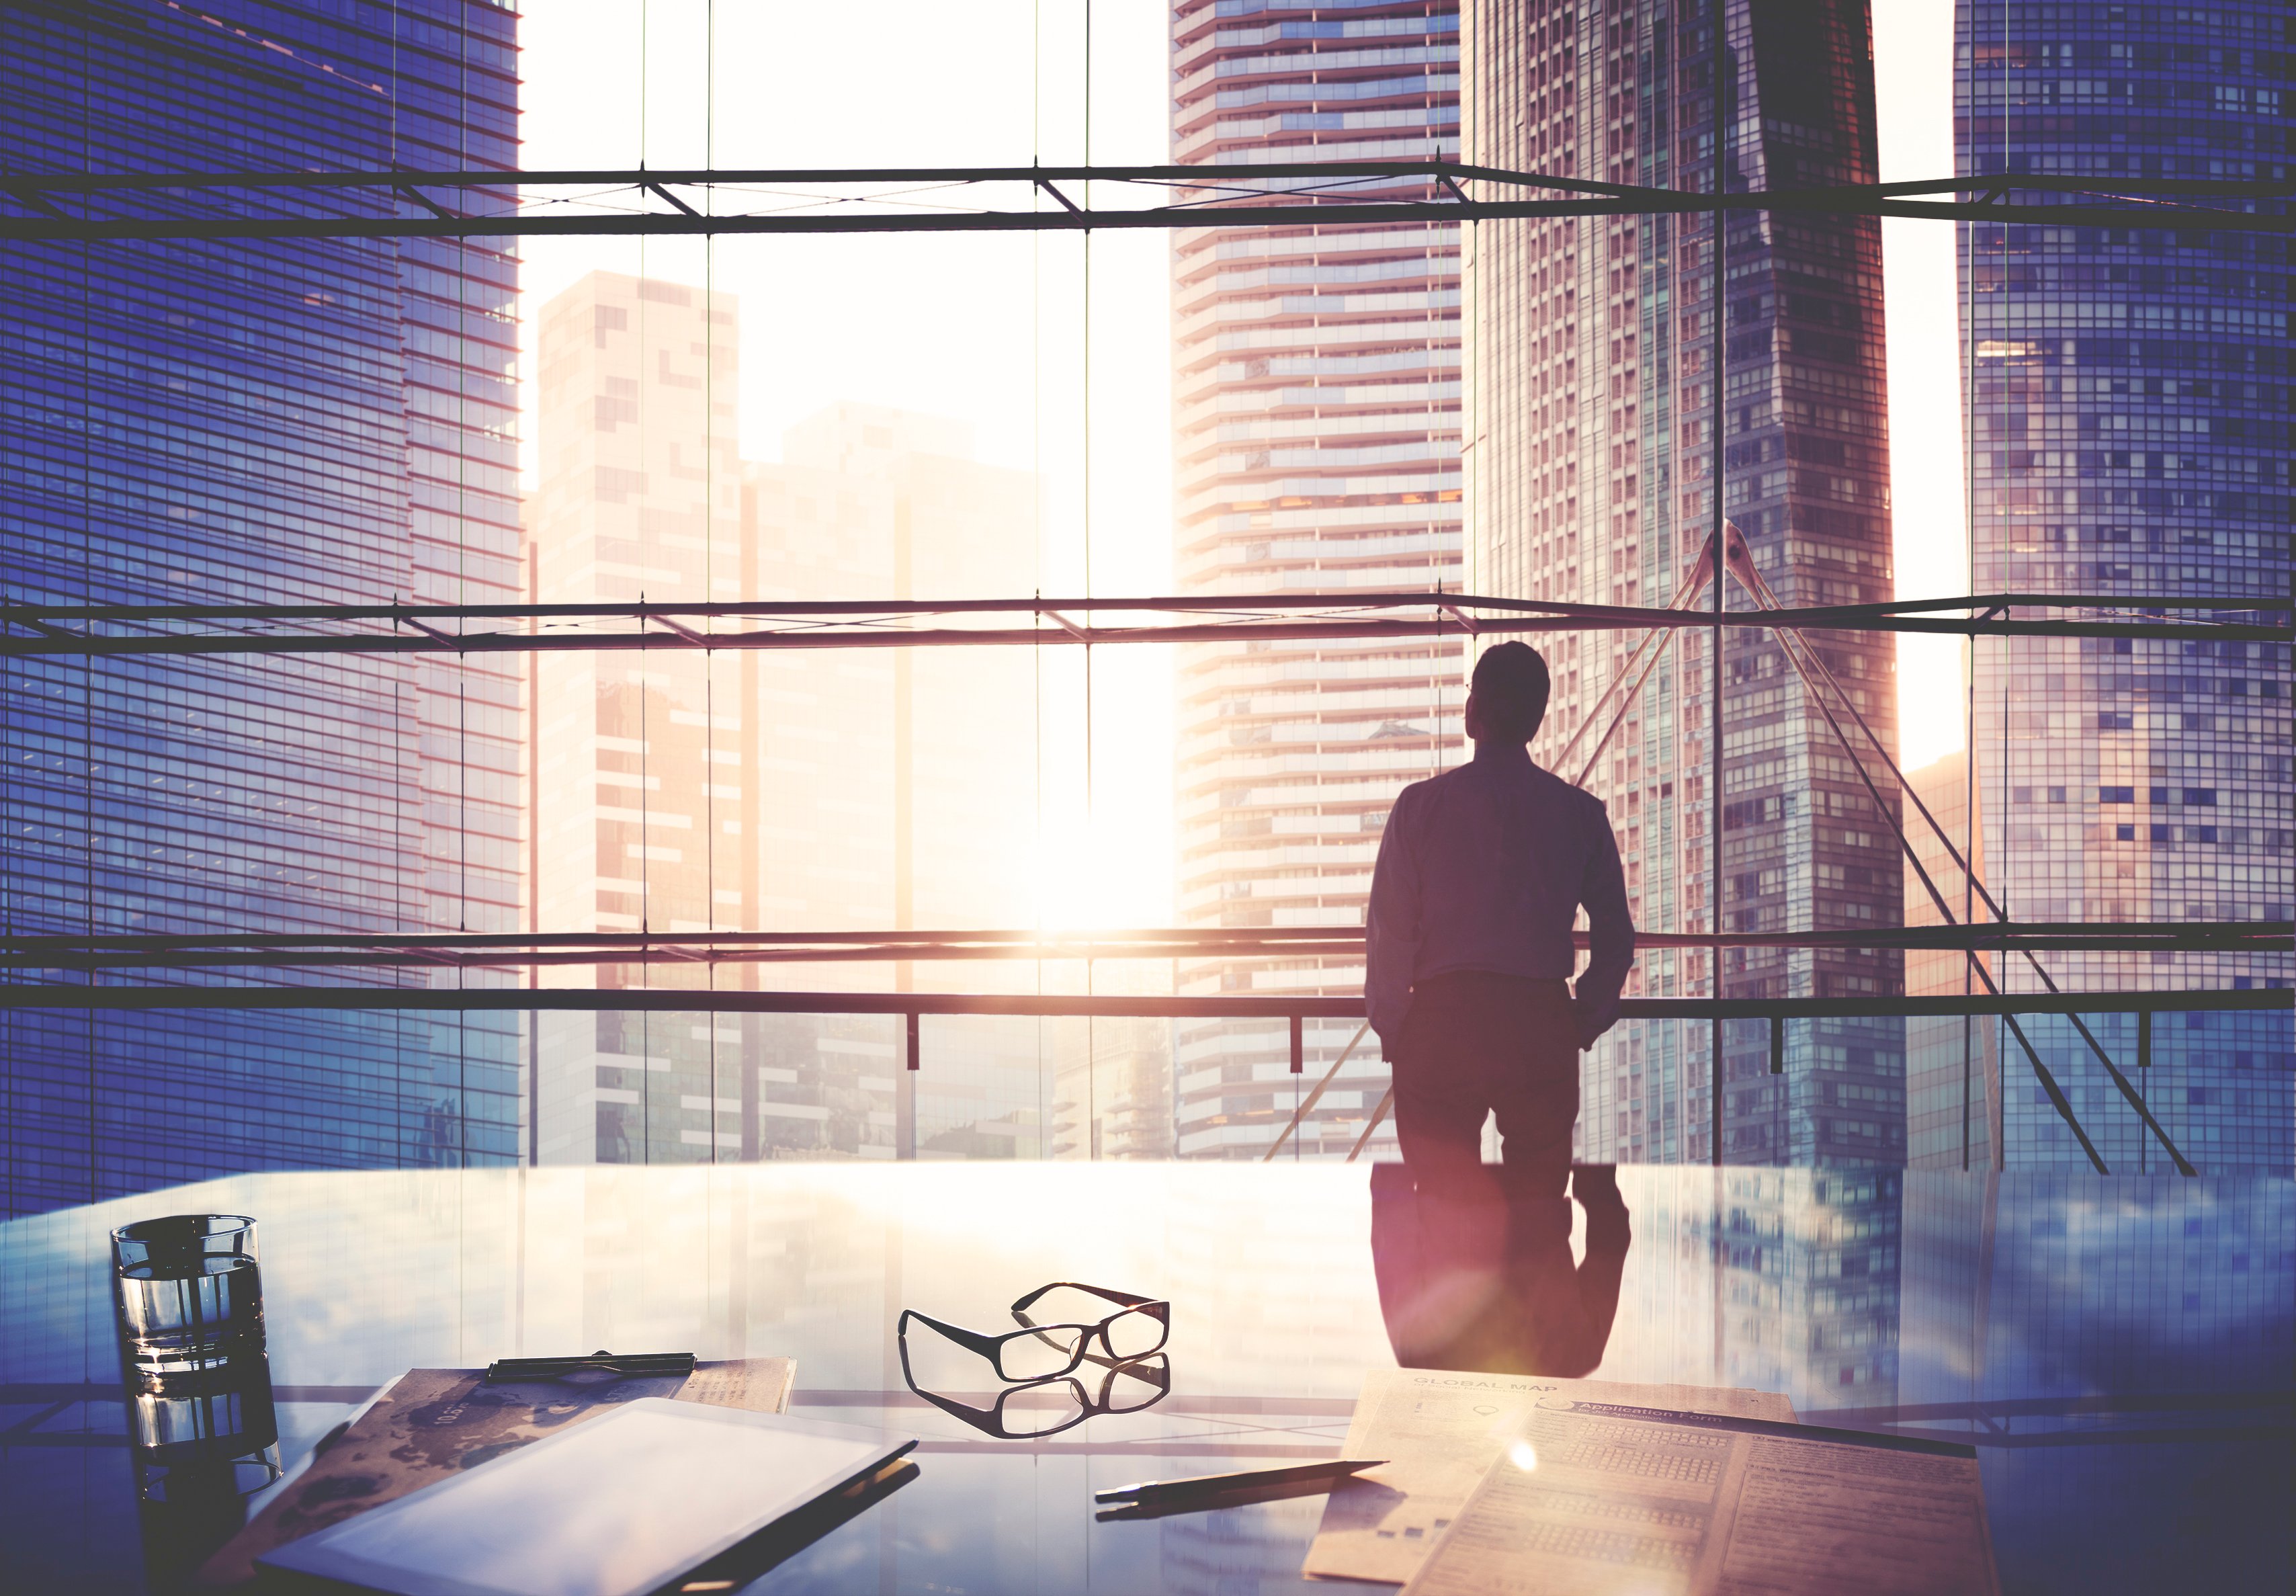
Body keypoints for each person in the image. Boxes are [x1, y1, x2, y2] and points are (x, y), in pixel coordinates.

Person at [1365, 640, 1635, 1204]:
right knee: (1536, 1208)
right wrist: (1580, 1019)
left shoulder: (1418, 808)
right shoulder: (1581, 815)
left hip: (1440, 1021)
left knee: (1441, 1209)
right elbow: (1615, 935)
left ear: (1472, 714)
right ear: (1538, 719)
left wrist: (1398, 1029)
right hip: (1537, 1022)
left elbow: (1389, 935)